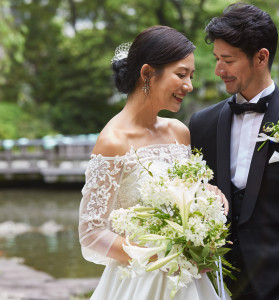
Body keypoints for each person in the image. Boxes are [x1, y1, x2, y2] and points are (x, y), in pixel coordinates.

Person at [78, 25, 230, 300]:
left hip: (191, 280)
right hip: (140, 283)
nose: (189, 85)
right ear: (147, 73)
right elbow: (92, 233)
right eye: (181, 74)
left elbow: (187, 196)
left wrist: (207, 199)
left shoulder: (179, 132)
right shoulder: (114, 141)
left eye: (191, 76)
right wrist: (154, 255)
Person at [189, 3, 279, 300]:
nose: (218, 70)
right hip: (219, 286)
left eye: (228, 60)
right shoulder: (201, 124)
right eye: (216, 59)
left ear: (261, 57)